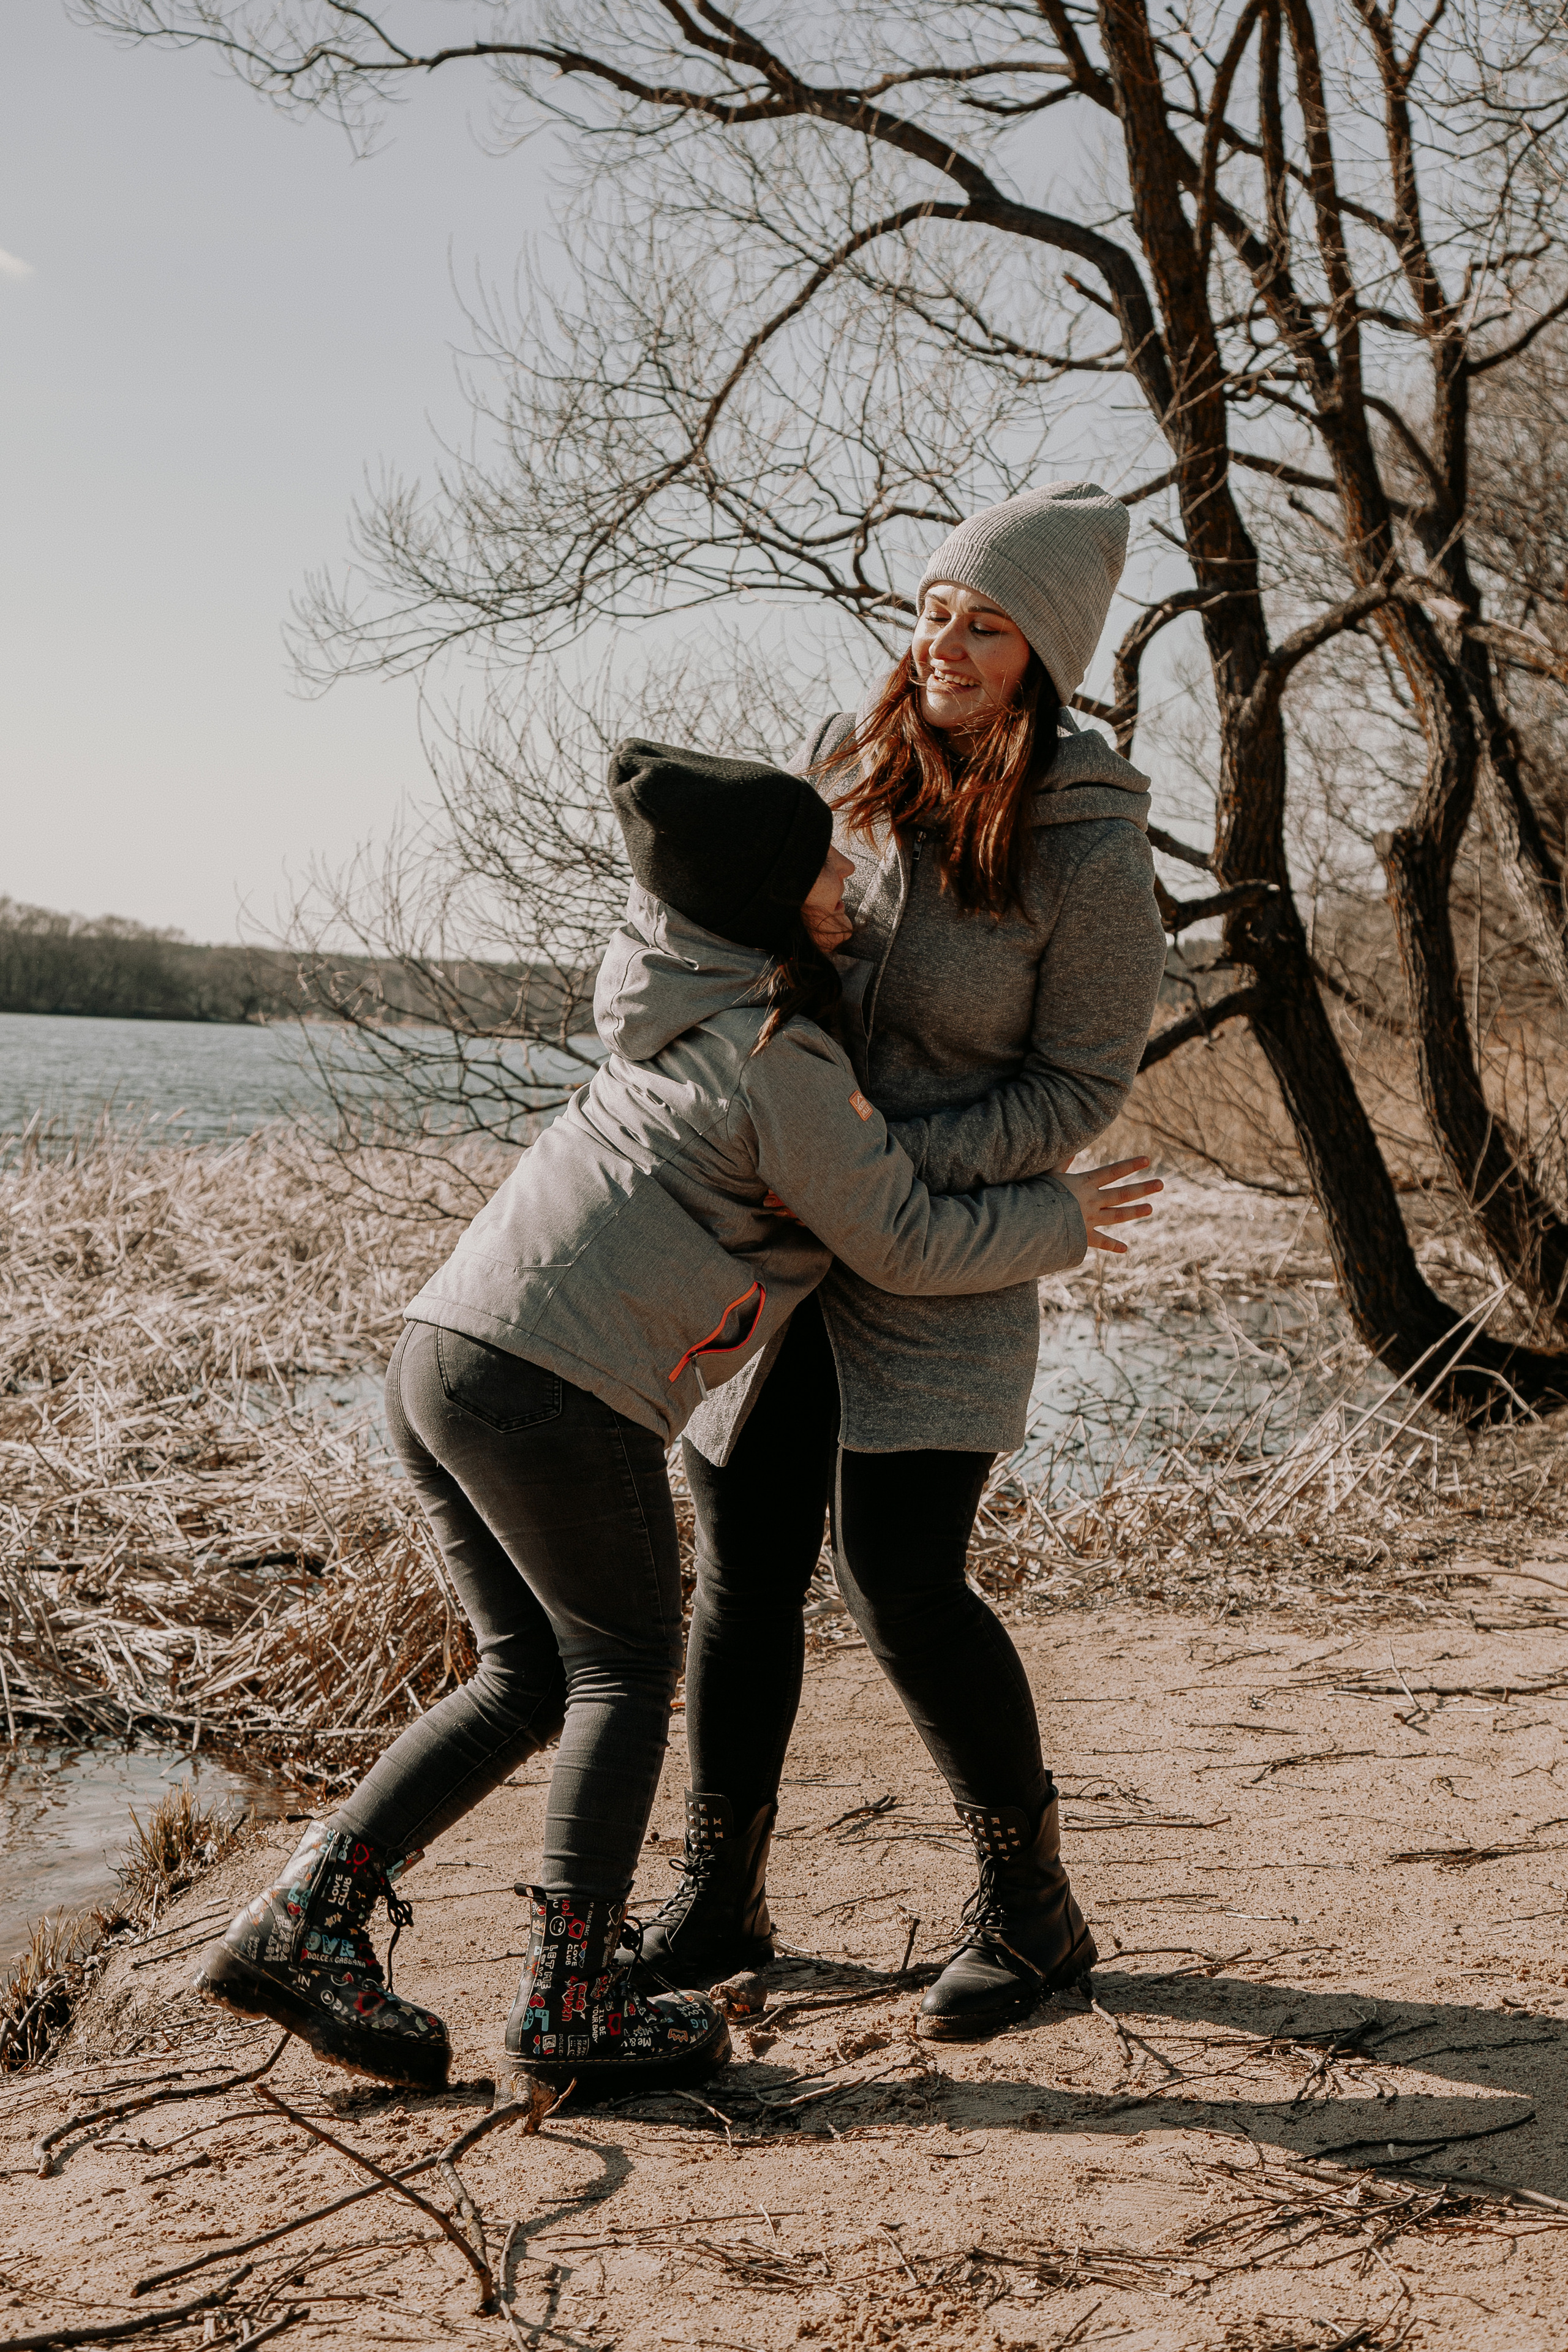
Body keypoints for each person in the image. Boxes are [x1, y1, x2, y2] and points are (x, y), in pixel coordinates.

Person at [194, 739, 1159, 2099]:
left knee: (525, 1675)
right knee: (618, 1674)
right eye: (824, 863)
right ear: (767, 895)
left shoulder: (672, 994)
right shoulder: (774, 1057)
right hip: (552, 1394)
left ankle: (305, 1920)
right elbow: (898, 1239)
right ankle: (574, 1994)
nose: (851, 879)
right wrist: (1060, 1218)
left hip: (440, 1359)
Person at [639, 480, 1170, 2042]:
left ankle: (1030, 1910)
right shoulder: (843, 776)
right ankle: (720, 1890)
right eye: (935, 609)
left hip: (936, 1262)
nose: (942, 642)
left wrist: (875, 1166)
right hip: (772, 1260)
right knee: (741, 1566)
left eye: (984, 624)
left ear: (1041, 653)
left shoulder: (1087, 848)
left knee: (903, 1581)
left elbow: (1075, 1092)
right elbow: (737, 959)